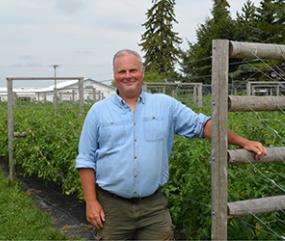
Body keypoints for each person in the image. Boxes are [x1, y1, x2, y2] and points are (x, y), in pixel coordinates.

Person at [76, 49, 267, 240]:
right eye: (122, 72)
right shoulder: (98, 112)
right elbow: (86, 159)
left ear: (142, 73)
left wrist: (243, 141)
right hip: (112, 207)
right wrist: (91, 201)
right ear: (114, 76)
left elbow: (201, 126)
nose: (128, 76)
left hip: (153, 207)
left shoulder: (165, 105)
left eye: (133, 70)